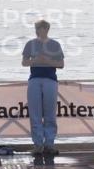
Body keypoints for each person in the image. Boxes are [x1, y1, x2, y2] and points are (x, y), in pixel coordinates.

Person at [21, 20, 65, 156]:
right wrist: (35, 60)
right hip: (34, 79)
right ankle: (38, 145)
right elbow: (24, 62)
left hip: (50, 79)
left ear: (47, 29)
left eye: (41, 28)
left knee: (50, 113)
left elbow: (61, 64)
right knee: (35, 114)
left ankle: (49, 144)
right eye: (37, 28)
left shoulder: (55, 44)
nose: (38, 30)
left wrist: (47, 61)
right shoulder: (30, 44)